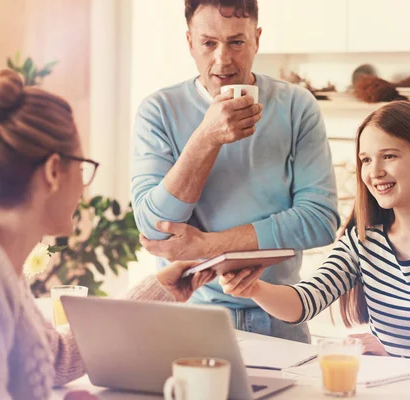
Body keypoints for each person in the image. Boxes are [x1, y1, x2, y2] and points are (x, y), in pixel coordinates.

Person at [0, 69, 215, 400]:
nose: (84, 188)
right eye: (82, 168)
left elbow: (56, 359)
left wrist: (158, 290)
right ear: (54, 171)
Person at [220, 101, 410, 381]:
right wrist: (253, 288)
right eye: (366, 160)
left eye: (389, 156)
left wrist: (398, 364)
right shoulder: (363, 242)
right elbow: (304, 302)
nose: (374, 172)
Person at [132, 0, 340, 344]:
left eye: (237, 42)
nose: (223, 60)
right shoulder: (159, 111)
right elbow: (154, 228)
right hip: (190, 320)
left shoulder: (297, 106)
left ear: (257, 39)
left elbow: (320, 220)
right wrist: (206, 138)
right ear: (189, 43)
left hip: (279, 319)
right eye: (209, 43)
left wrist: (208, 246)